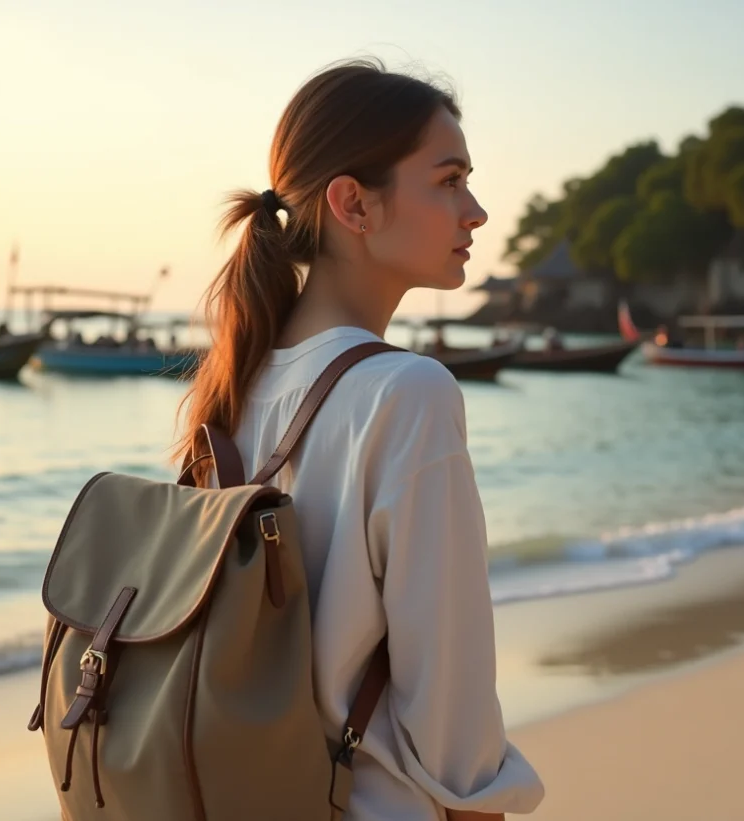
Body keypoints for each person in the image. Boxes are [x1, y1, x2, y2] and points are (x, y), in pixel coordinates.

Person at [172, 59, 543, 821]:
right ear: (353, 204)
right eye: (449, 180)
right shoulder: (407, 393)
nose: (475, 212)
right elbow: (450, 697)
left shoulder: (235, 384)